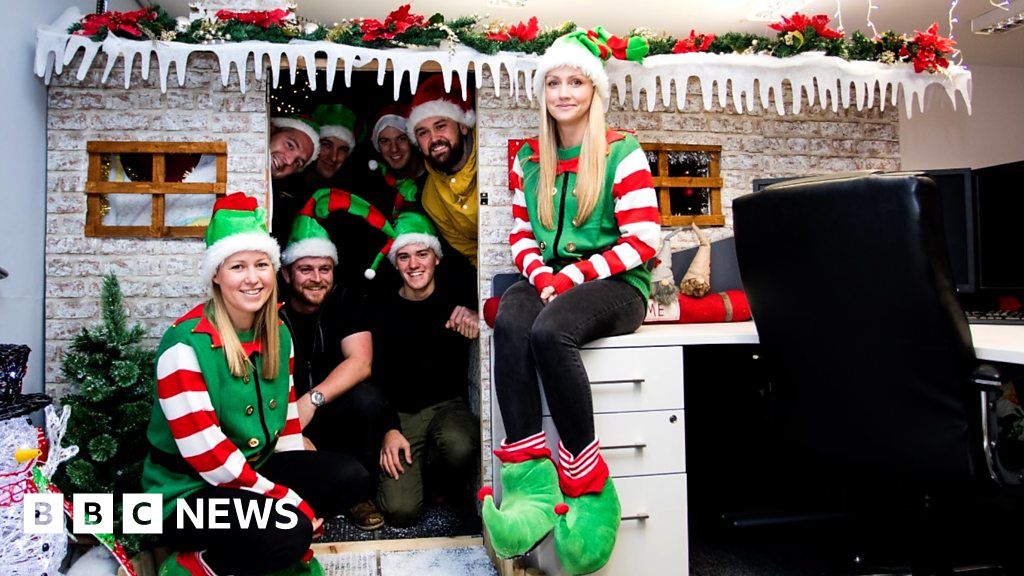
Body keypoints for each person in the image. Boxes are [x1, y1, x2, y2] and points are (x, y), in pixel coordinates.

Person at [480, 28, 658, 575]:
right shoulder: (529, 157)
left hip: (618, 283)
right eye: (553, 82)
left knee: (547, 331)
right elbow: (520, 235)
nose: (562, 92)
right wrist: (539, 274)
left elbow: (644, 241)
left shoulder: (621, 152)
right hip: (550, 278)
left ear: (593, 91)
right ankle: (533, 485)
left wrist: (573, 276)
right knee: (511, 319)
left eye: (575, 81)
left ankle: (587, 485)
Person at [143, 193, 366, 576]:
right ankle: (192, 566)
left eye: (261, 264)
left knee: (351, 478)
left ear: (274, 270)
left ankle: (268, 549)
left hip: (252, 472)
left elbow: (289, 417)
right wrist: (288, 499)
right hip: (185, 494)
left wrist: (300, 482)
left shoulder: (278, 333)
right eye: (238, 266)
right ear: (216, 274)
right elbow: (209, 460)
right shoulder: (185, 345)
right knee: (290, 529)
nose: (252, 278)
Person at [368, 212, 481, 526]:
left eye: (422, 254)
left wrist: (476, 317)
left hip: (447, 406)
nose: (413, 264)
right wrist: (387, 429)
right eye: (404, 257)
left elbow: (493, 311)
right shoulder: (381, 309)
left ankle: (436, 477)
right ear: (395, 264)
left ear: (437, 258)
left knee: (458, 446)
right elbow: (371, 378)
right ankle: (416, 480)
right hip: (401, 416)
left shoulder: (457, 299)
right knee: (400, 511)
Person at [278, 213, 388, 531]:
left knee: (366, 398)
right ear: (286, 274)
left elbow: (360, 361)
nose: (317, 278)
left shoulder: (346, 301)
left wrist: (312, 400)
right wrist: (292, 421)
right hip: (283, 418)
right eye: (305, 269)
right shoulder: (271, 309)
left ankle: (359, 495)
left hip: (329, 411)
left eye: (324, 269)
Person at [406, 74, 479, 268]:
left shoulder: (491, 153)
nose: (434, 138)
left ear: (463, 126)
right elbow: (474, 254)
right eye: (423, 133)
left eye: (440, 126)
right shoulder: (431, 198)